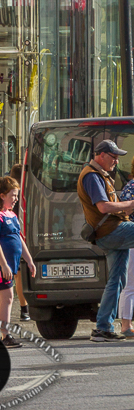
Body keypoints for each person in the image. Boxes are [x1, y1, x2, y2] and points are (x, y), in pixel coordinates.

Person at [77, 139, 134, 342]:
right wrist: (129, 204)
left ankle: (103, 328)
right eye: (114, 157)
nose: (116, 162)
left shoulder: (98, 173)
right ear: (101, 155)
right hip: (111, 231)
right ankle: (104, 326)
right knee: (117, 280)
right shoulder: (92, 176)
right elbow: (103, 207)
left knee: (118, 280)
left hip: (109, 233)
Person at [0, 175, 36, 349]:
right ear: (1, 195)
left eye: (16, 195)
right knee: (7, 298)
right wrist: (4, 264)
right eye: (13, 195)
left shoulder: (12, 215)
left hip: (10, 264)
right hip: (0, 265)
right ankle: (5, 335)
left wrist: (29, 260)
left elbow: (19, 239)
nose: (15, 199)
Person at [8, 163, 30, 322]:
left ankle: (24, 309)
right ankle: (26, 308)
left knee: (18, 275)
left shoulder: (10, 195)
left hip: (13, 238)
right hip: (26, 235)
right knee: (23, 273)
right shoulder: (26, 193)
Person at [117, 168, 134, 338]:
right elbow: (125, 212)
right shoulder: (132, 187)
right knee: (129, 285)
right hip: (131, 239)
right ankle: (125, 325)